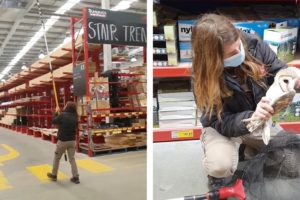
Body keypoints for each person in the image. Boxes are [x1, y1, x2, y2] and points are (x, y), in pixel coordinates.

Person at [191, 14, 300, 188]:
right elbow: (217, 120)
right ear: (215, 59)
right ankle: (219, 155)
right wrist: (252, 116)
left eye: (238, 46)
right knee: (220, 166)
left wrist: (290, 78)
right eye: (232, 54)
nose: (239, 53)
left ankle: (249, 149)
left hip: (259, 123)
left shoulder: (253, 45)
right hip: (223, 129)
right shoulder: (201, 75)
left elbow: (278, 68)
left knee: (294, 164)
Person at [47, 101, 80, 184]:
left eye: (65, 105)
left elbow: (54, 121)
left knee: (57, 158)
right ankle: (75, 177)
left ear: (67, 107)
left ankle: (54, 175)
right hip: (72, 141)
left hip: (62, 141)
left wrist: (56, 112)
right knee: (72, 159)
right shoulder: (75, 117)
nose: (64, 106)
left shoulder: (62, 115)